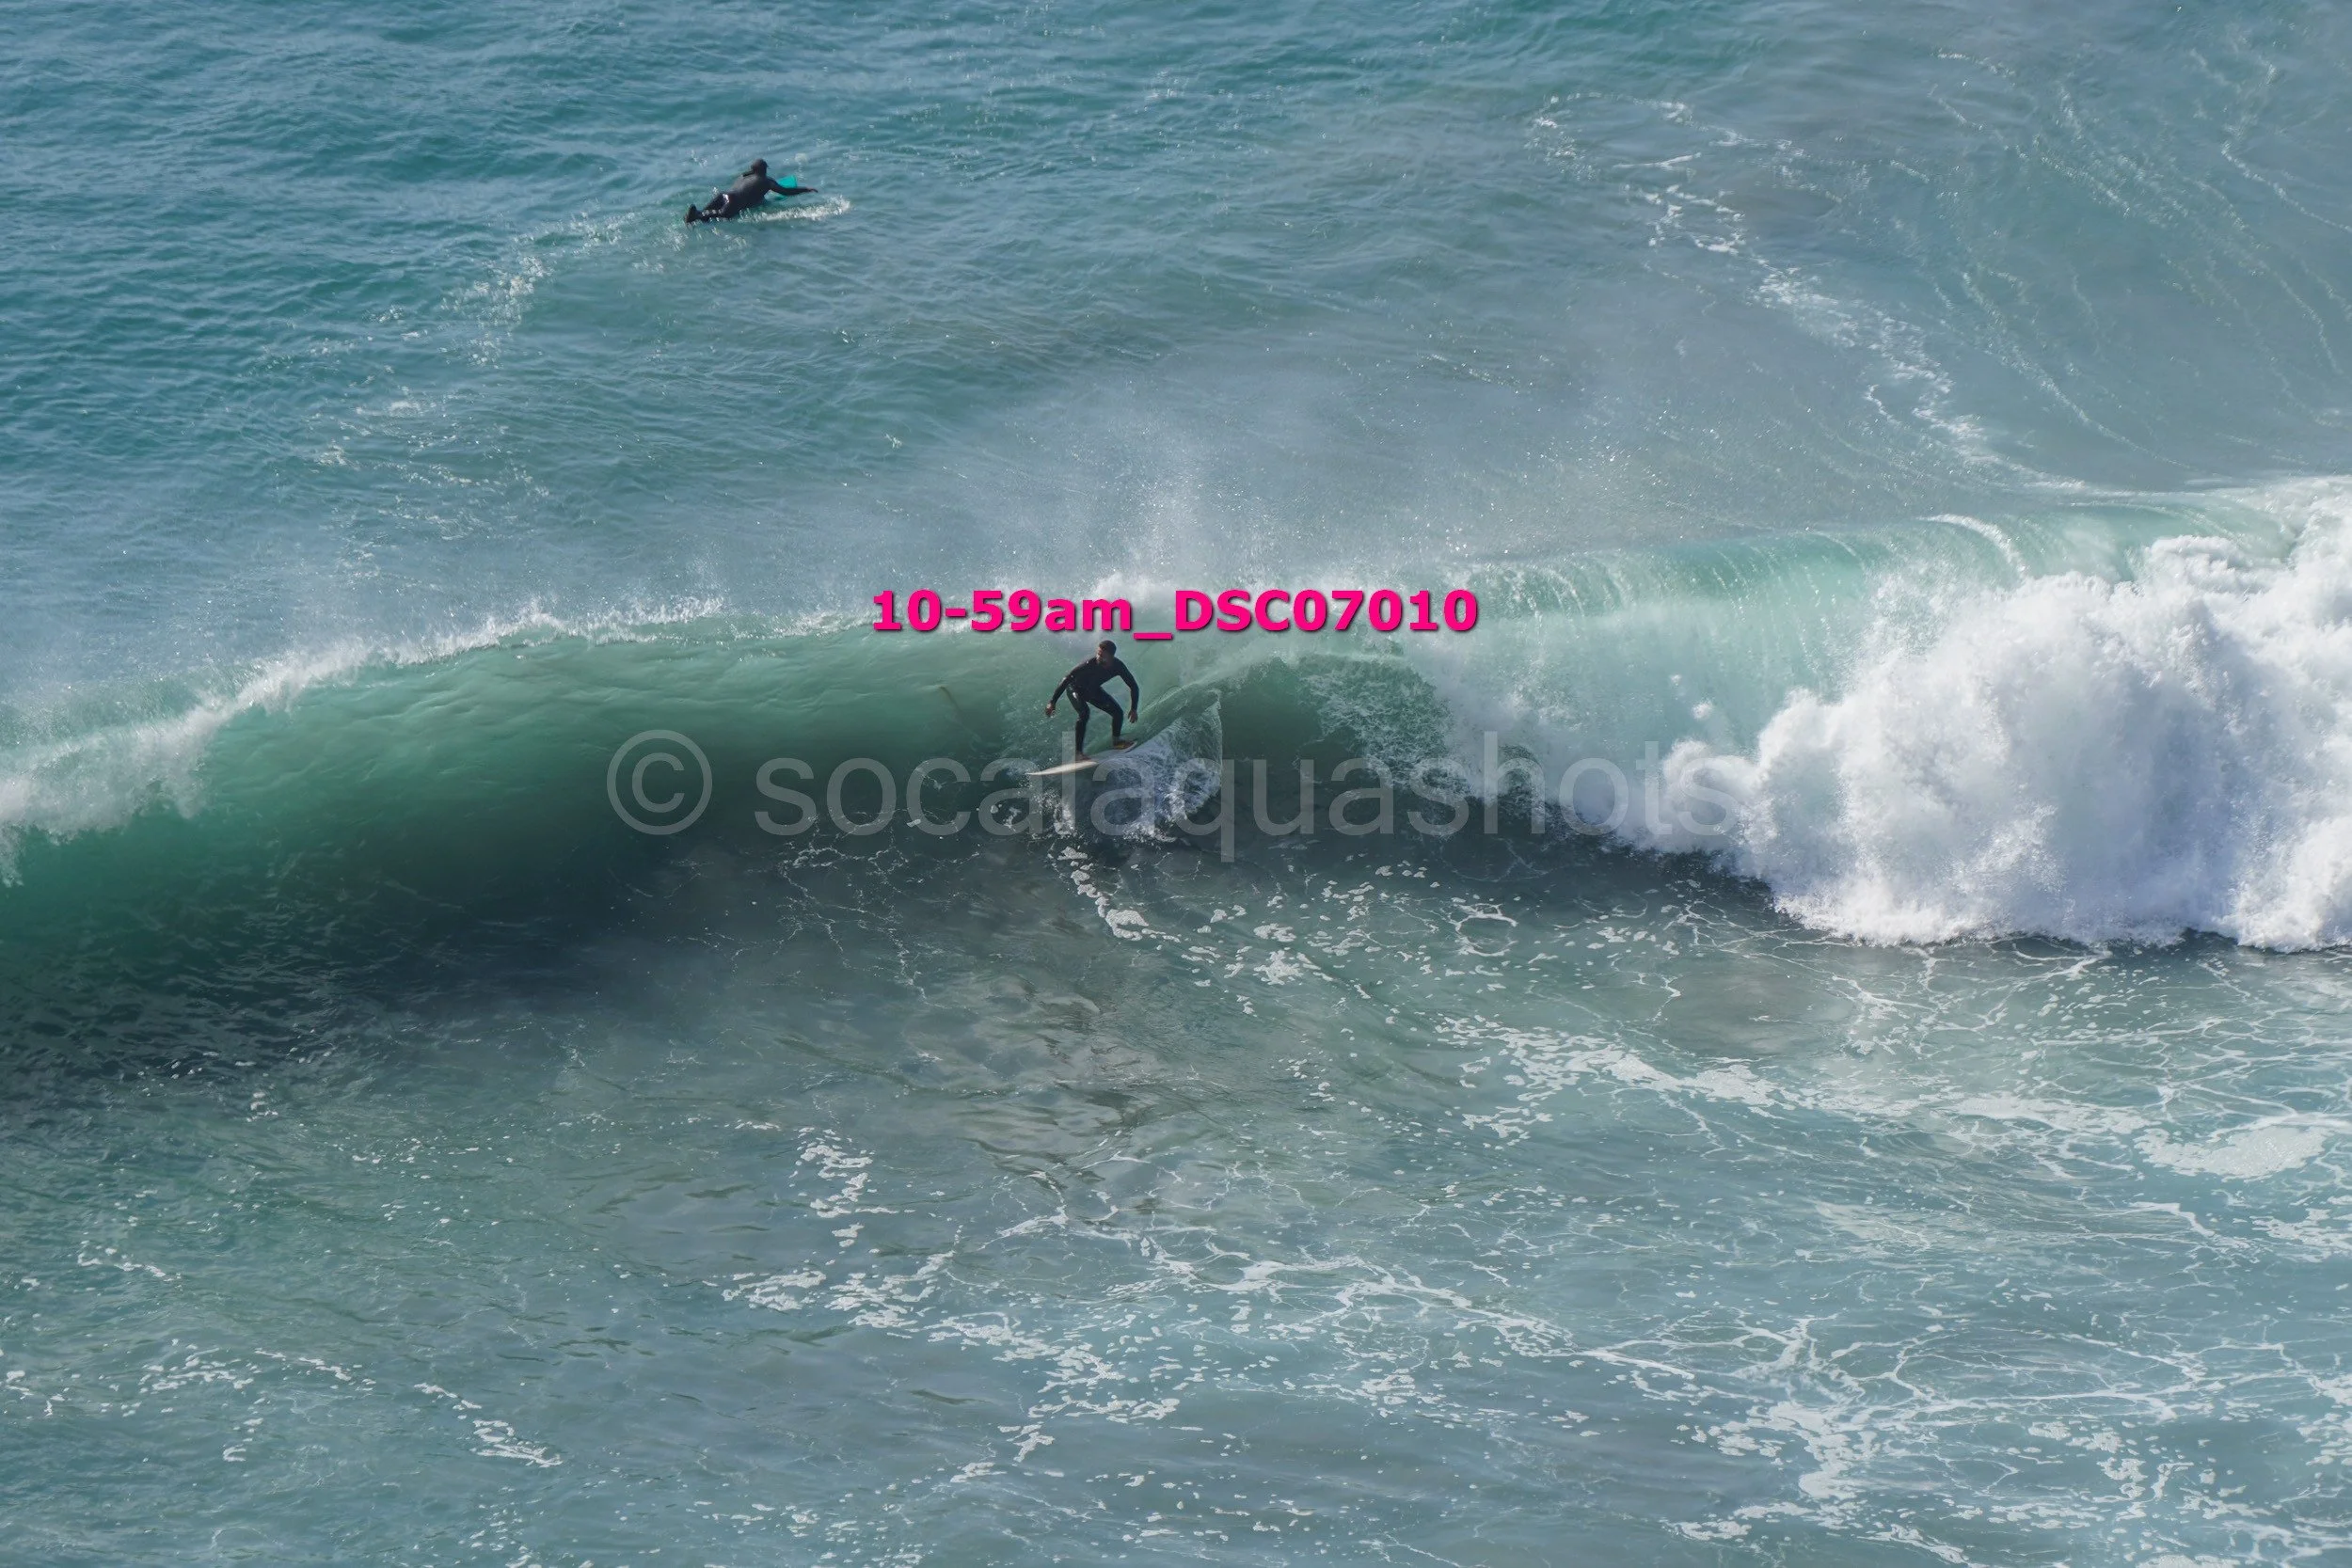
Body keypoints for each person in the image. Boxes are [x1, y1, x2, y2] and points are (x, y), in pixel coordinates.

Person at [1046, 641, 1140, 760]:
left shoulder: (1118, 666)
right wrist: (1052, 701)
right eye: (1098, 654)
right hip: (1075, 688)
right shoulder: (1089, 664)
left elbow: (1133, 685)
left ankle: (1117, 742)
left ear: (1111, 656)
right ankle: (1078, 753)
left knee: (1118, 713)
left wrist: (1134, 709)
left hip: (1093, 690)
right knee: (1084, 713)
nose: (1098, 657)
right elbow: (1067, 678)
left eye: (1102, 655)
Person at [685, 159, 816, 225]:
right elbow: (785, 192)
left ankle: (695, 214)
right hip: (735, 201)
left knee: (707, 211)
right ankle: (696, 216)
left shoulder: (744, 176)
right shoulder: (766, 181)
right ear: (765, 169)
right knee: (722, 214)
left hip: (724, 195)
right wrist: (806, 189)